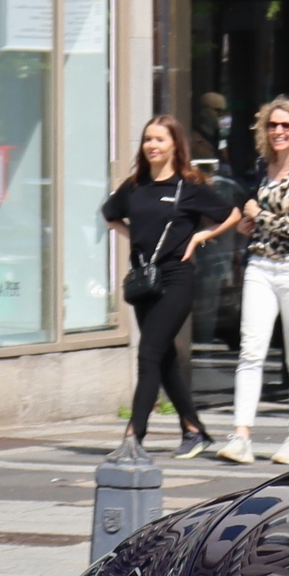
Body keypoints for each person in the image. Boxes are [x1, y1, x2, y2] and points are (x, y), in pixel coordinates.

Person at [104, 115, 251, 458]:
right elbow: (110, 214)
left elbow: (231, 213)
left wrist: (200, 236)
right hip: (144, 283)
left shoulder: (189, 185)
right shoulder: (135, 186)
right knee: (165, 358)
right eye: (148, 140)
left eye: (159, 139)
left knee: (149, 353)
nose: (152, 145)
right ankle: (193, 429)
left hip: (177, 279)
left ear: (174, 145)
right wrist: (135, 241)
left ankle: (133, 437)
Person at [221, 97, 289, 466]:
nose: (279, 131)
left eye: (287, 125)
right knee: (250, 352)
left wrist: (256, 213)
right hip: (262, 267)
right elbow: (265, 223)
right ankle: (240, 436)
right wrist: (247, 224)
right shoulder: (263, 169)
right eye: (273, 125)